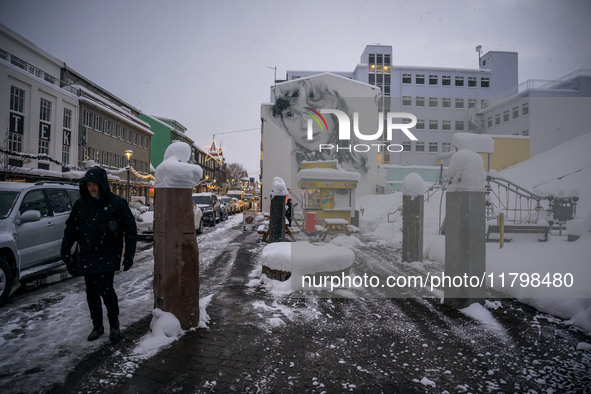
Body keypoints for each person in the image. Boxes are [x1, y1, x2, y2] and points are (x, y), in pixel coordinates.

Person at [61, 167, 137, 342]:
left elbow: (130, 230)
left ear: (102, 184)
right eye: (88, 184)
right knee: (91, 292)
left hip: (108, 253)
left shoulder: (117, 203)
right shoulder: (81, 204)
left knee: (106, 288)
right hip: (87, 254)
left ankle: (114, 324)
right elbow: (71, 228)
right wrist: (65, 250)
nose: (91, 188)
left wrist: (129, 254)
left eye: (94, 184)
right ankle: (98, 326)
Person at [271, 78, 369, 174]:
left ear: (337, 109)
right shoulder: (287, 164)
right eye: (291, 115)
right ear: (281, 120)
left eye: (314, 110)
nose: (305, 125)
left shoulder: (358, 165)